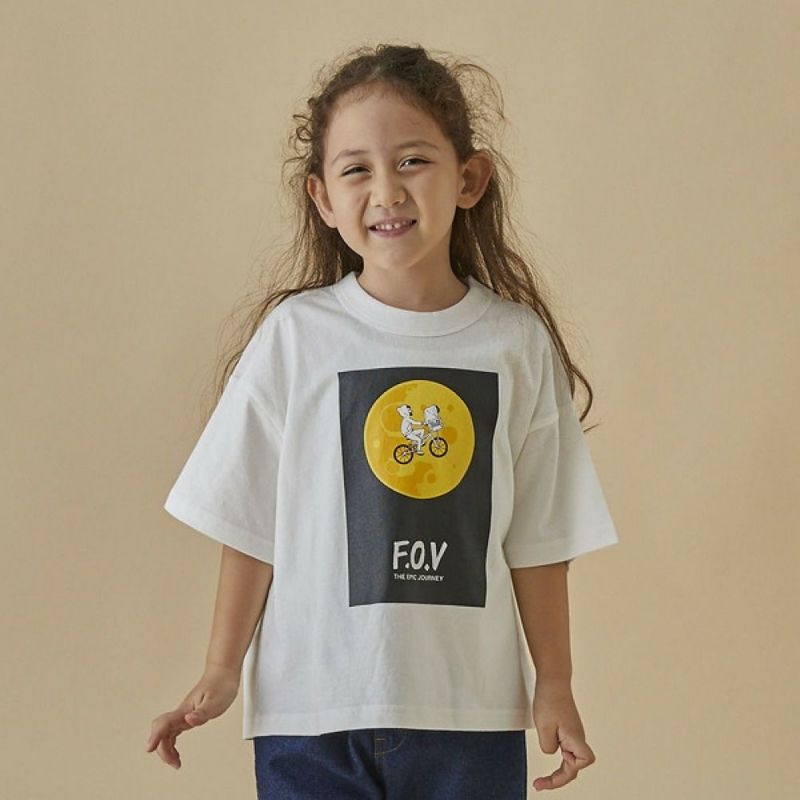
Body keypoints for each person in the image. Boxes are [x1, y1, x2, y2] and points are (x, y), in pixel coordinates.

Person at [145, 42, 620, 798]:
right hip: (309, 712)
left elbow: (539, 540)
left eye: (412, 162)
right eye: (356, 169)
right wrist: (220, 668)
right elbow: (251, 523)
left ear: (469, 179)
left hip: (468, 716)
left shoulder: (514, 344)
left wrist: (554, 683)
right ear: (322, 198)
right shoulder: (295, 338)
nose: (387, 191)